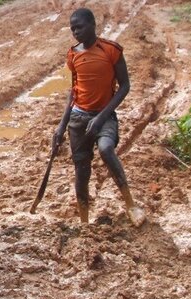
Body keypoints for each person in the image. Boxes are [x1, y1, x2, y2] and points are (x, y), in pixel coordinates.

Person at [53, 8, 146, 227]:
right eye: (72, 28)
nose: (75, 32)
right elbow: (73, 92)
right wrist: (60, 127)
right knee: (81, 170)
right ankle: (84, 221)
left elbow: (125, 86)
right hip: (78, 119)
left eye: (80, 27)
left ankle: (131, 204)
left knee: (106, 149)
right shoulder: (73, 54)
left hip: (104, 116)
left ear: (93, 25)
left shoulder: (111, 50)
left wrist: (101, 117)